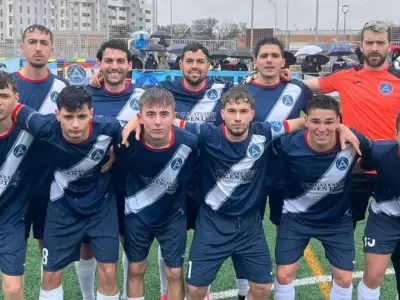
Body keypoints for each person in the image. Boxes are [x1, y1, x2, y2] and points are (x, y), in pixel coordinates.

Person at [122, 86, 360, 300]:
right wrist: (137, 120)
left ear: (252, 113)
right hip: (213, 223)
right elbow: (170, 122)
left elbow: (300, 123)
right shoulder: (208, 134)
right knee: (194, 290)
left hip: (249, 226)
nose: (237, 117)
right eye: (232, 111)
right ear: (222, 113)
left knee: (263, 287)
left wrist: (340, 126)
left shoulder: (264, 132)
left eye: (243, 111)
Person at [247, 20, 400, 295]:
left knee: (393, 251)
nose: (374, 48)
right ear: (361, 46)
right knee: (341, 246)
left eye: (380, 42)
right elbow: (304, 87)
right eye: (369, 42)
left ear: (389, 46)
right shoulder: (344, 76)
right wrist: (269, 76)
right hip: (349, 169)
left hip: (390, 171)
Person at [90, 42, 237, 300]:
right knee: (139, 263)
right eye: (189, 61)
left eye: (200, 61)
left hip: (199, 183)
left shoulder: (223, 89)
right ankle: (159, 293)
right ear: (180, 64)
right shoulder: (163, 89)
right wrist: (130, 127)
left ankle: (200, 291)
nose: (194, 66)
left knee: (195, 248)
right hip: (146, 197)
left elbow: (247, 98)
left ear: (209, 65)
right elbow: (145, 103)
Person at [12, 86, 123, 300]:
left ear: (91, 113)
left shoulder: (109, 128)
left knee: (109, 272)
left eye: (81, 116)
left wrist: (116, 151)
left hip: (101, 208)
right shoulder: (44, 126)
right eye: (68, 116)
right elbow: (15, 109)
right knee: (51, 274)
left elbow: (133, 135)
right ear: (57, 115)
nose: (75, 124)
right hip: (62, 208)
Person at [272, 95, 371, 300]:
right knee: (283, 275)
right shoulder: (288, 144)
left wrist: (346, 131)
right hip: (296, 217)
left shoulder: (353, 142)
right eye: (315, 121)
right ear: (305, 121)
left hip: (336, 220)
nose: (322, 128)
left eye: (329, 122)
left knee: (343, 278)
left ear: (338, 122)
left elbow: (372, 156)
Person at [76, 39, 145, 300]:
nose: (114, 66)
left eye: (120, 61)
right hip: (91, 184)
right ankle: (87, 296)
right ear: (99, 64)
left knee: (132, 247)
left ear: (129, 64)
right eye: (108, 61)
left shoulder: (144, 95)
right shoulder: (85, 95)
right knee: (87, 247)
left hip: (132, 184)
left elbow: (161, 117)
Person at [120, 87, 198, 300]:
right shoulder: (127, 141)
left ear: (174, 116)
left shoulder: (189, 143)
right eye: (151, 114)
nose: (157, 122)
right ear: (140, 117)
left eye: (164, 115)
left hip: (173, 216)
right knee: (136, 268)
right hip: (137, 215)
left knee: (174, 272)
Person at [13, 24, 68, 278]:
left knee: (50, 258)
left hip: (52, 184)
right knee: (15, 258)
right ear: (21, 47)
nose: (38, 48)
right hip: (13, 185)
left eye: (44, 43)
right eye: (32, 42)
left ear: (52, 48)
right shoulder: (7, 86)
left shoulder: (64, 88)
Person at [244, 36, 312, 234]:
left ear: (283, 62)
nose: (269, 60)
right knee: (249, 227)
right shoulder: (242, 90)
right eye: (264, 56)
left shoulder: (298, 89)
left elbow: (317, 120)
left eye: (275, 56)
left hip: (286, 172)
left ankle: (284, 265)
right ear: (255, 61)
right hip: (251, 171)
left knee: (285, 228)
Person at [0, 72, 36, 300]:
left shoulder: (30, 133)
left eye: (3, 95)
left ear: (16, 98)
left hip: (10, 219)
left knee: (13, 288)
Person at [356, 113, 400, 299]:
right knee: (373, 275)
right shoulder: (381, 152)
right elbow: (357, 166)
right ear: (396, 133)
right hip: (385, 218)